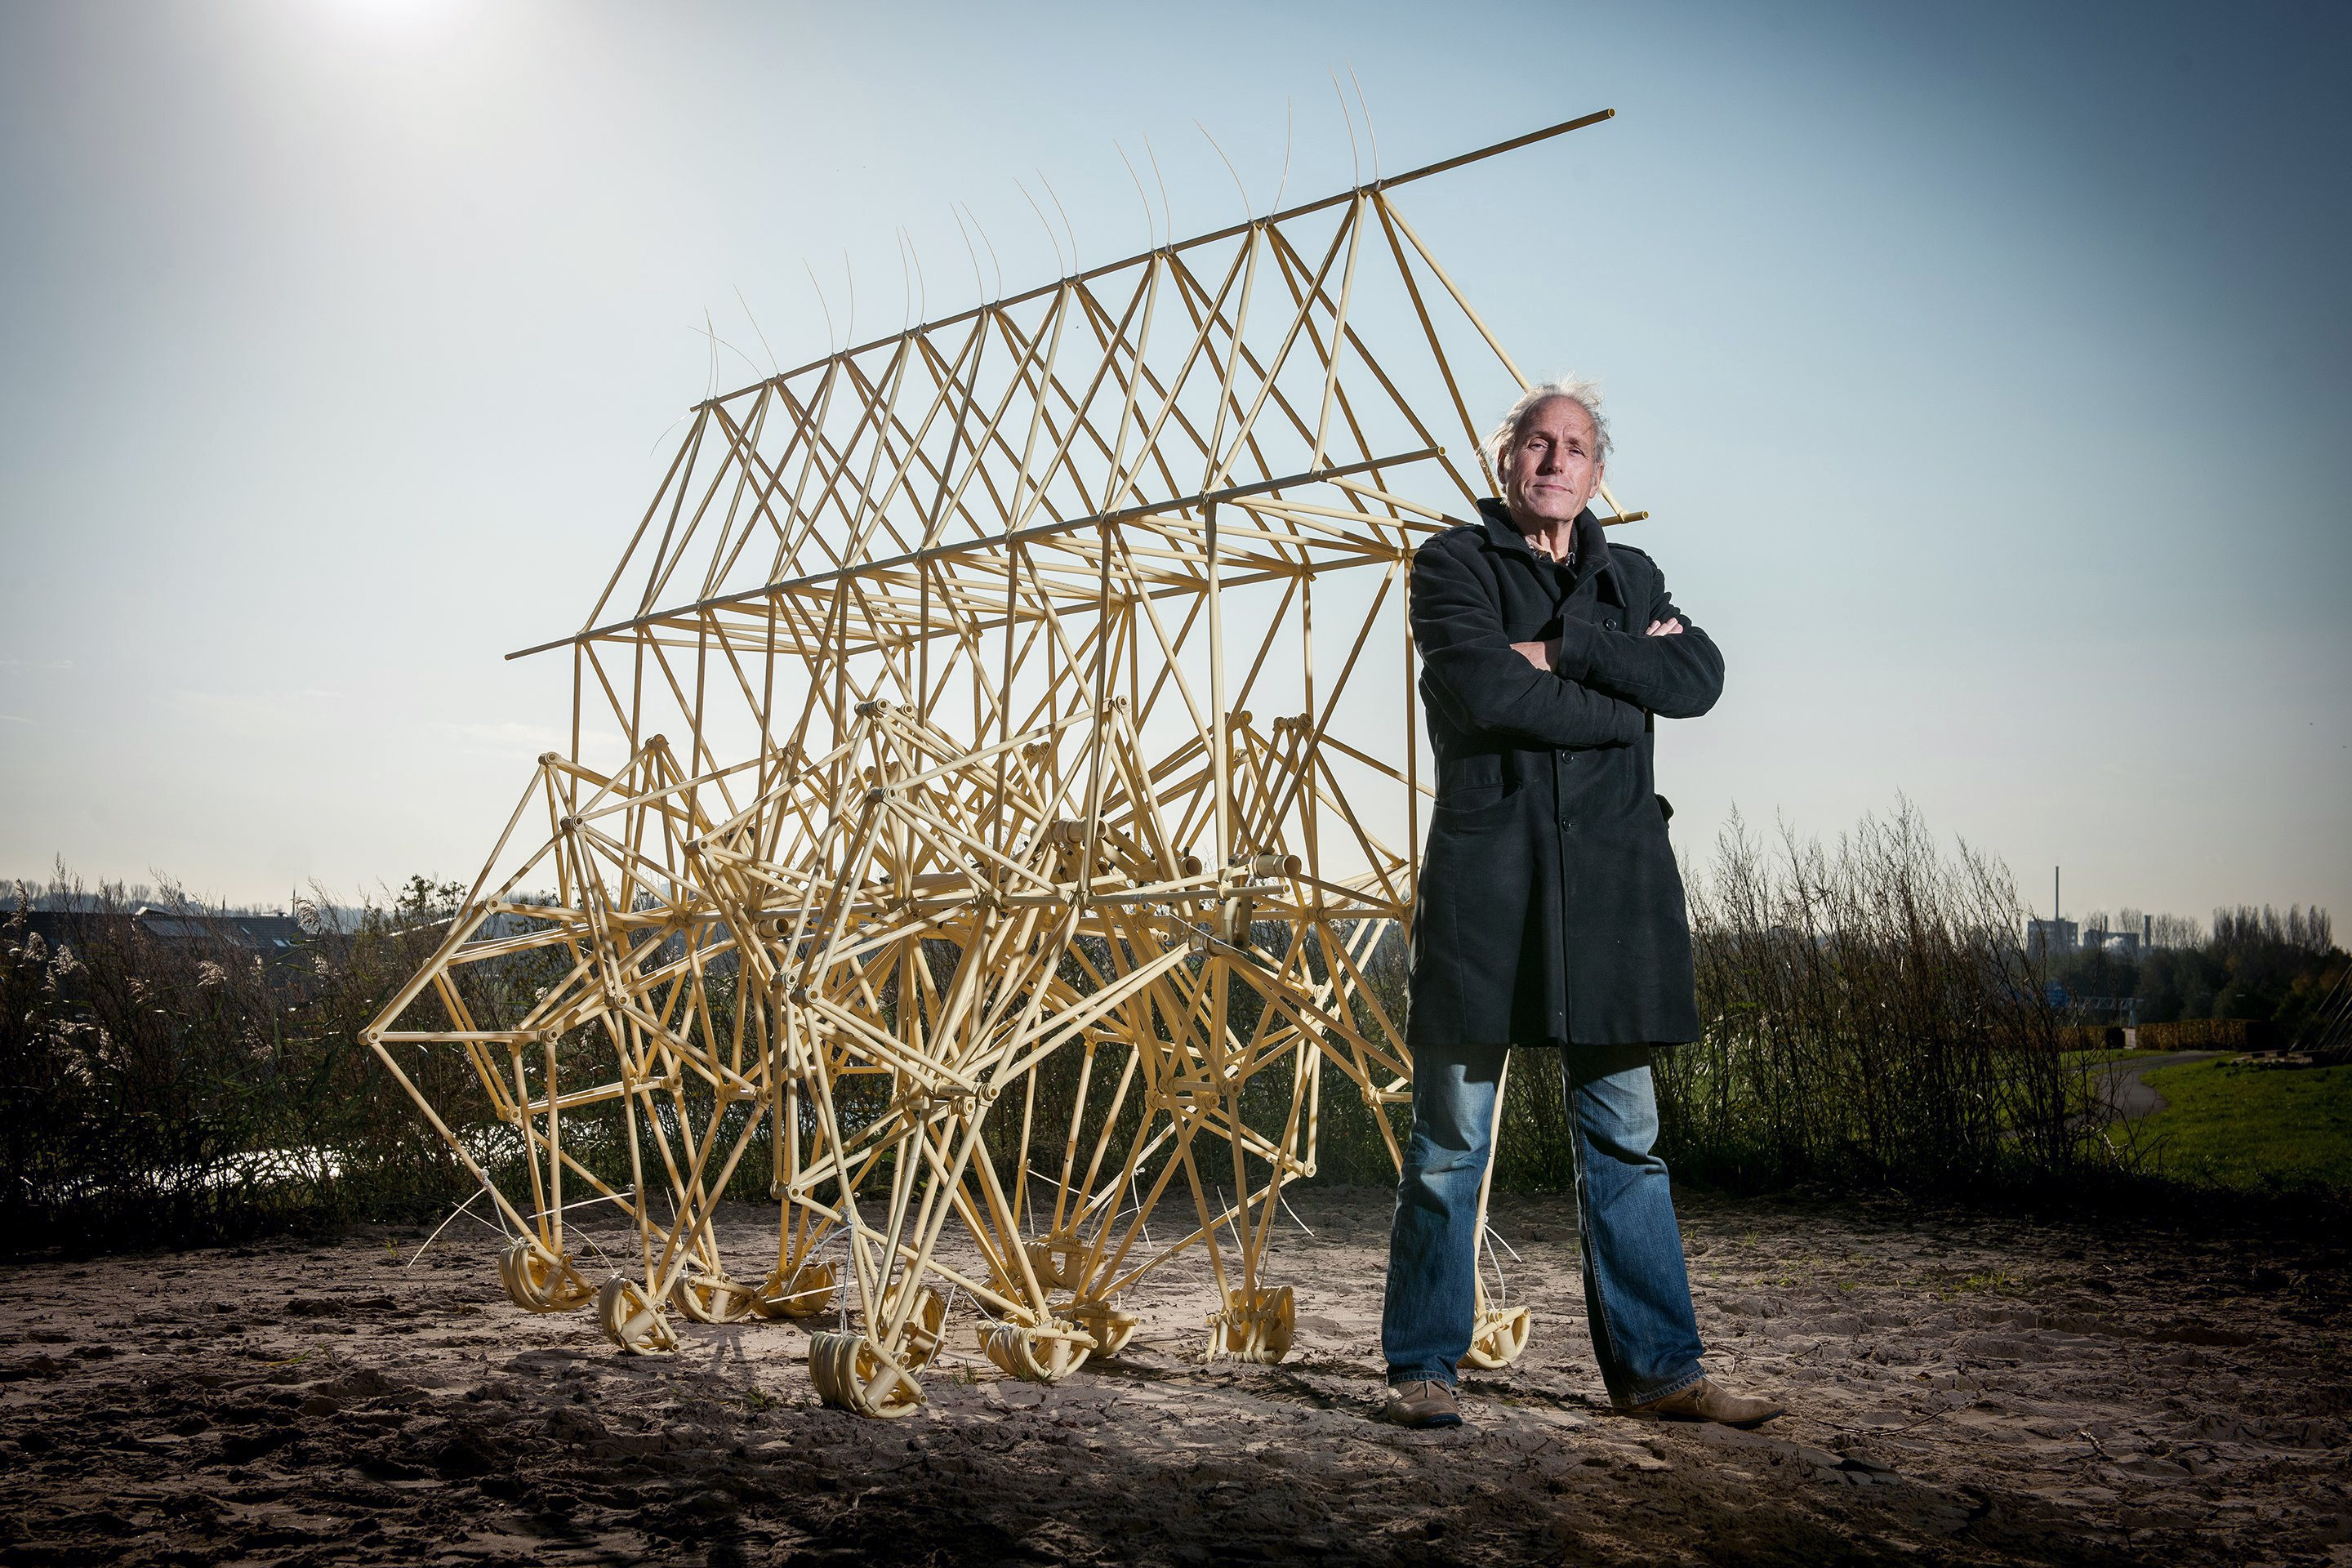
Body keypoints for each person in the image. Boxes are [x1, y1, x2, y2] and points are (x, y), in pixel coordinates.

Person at [1377, 379, 1782, 1432]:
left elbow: (1696, 676)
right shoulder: (1452, 566)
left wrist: (1568, 652)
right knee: (1449, 1144)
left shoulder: (1631, 573)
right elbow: (1484, 691)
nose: (1556, 461)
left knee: (1628, 1143)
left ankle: (1661, 1374)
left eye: (1576, 447)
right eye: (1537, 443)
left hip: (1611, 898)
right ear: (1505, 459)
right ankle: (1424, 1364)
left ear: (1598, 473)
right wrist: (1618, 699)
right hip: (1491, 892)